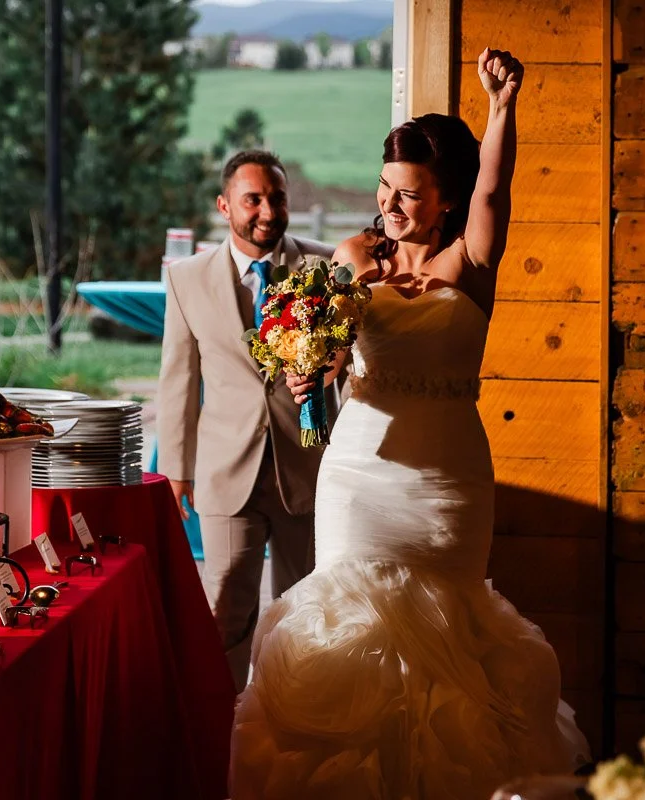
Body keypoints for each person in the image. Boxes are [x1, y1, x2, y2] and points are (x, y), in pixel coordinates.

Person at [230, 49, 591, 798]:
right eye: (386, 188)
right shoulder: (356, 254)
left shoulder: (472, 263)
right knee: (350, 635)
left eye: (412, 195)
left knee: (450, 638)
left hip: (447, 481)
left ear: (449, 201)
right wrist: (309, 365)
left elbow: (497, 186)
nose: (390, 206)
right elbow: (314, 352)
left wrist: (501, 106)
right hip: (359, 471)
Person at [156, 150, 336, 691]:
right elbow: (179, 381)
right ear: (225, 205)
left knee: (304, 608)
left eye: (276, 198)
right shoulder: (187, 278)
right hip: (224, 470)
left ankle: (293, 720)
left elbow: (347, 368)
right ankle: (222, 724)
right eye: (252, 199)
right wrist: (176, 469)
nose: (266, 210)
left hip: (306, 470)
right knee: (227, 607)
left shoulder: (322, 269)